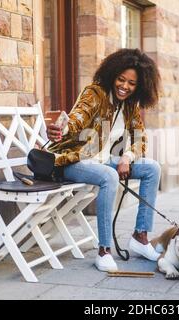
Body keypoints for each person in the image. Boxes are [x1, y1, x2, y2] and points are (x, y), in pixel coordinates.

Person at [46, 49, 162, 272]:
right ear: (112, 75)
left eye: (131, 83)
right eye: (121, 79)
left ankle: (140, 237)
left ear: (139, 86)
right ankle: (104, 250)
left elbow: (140, 139)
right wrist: (63, 128)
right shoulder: (95, 93)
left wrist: (127, 157)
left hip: (102, 160)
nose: (125, 86)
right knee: (109, 176)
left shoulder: (130, 105)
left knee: (152, 168)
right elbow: (77, 118)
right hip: (72, 161)